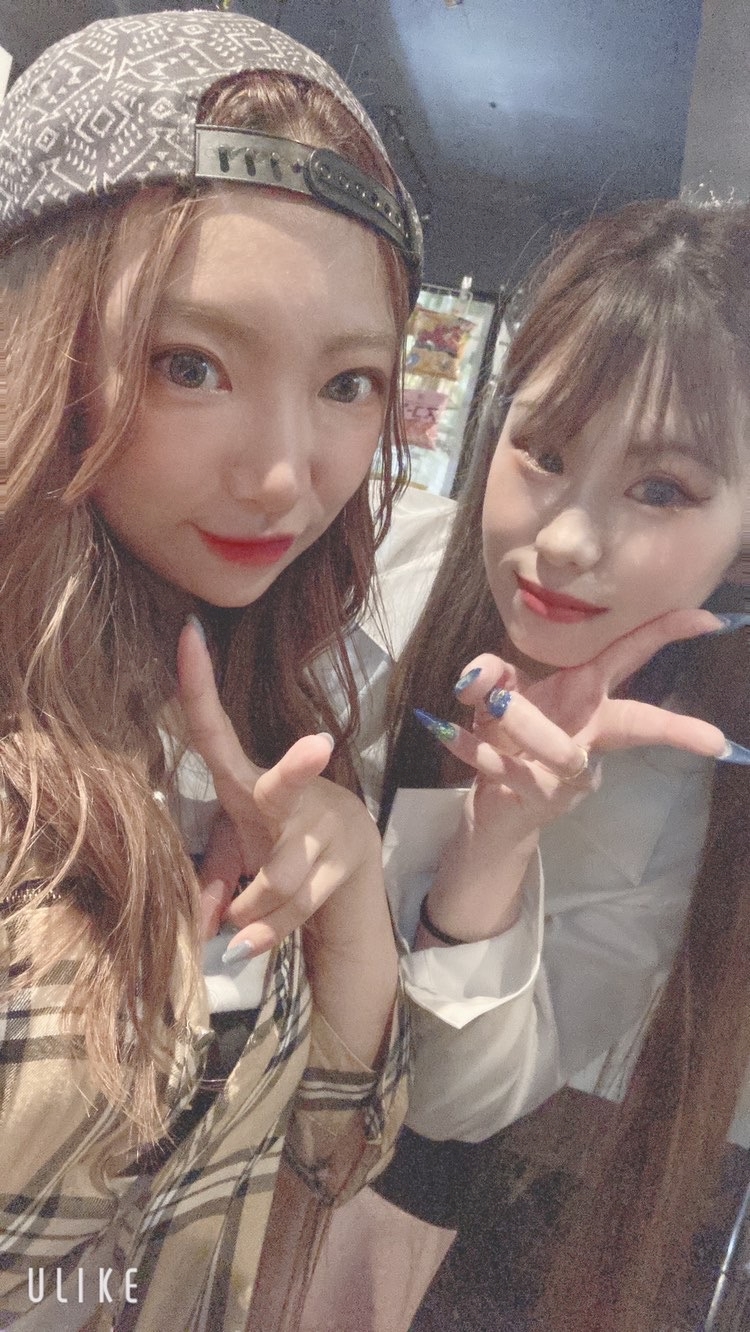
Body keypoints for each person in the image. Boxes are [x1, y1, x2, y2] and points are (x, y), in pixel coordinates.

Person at [0, 10, 421, 1331]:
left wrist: (350, 915)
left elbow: (333, 1157)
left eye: (348, 384)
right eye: (194, 365)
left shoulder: (263, 709)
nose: (287, 475)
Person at [301, 200, 750, 1332]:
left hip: (364, 1213)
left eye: (662, 489)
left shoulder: (680, 800)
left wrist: (494, 845)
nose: (563, 542)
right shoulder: (376, 559)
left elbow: (452, 1108)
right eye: (543, 453)